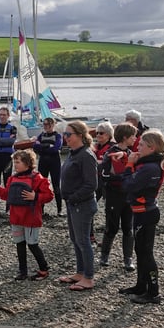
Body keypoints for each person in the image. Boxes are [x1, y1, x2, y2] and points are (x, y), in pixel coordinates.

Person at [118, 130, 164, 305]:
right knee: (139, 251)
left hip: (146, 214)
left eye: (141, 144)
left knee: (146, 254)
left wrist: (128, 165)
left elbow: (128, 185)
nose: (138, 146)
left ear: (152, 147)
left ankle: (153, 292)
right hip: (141, 212)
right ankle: (141, 286)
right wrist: (130, 163)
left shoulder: (150, 167)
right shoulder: (147, 164)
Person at [0, 149, 54, 281]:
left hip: (31, 218)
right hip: (16, 218)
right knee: (20, 244)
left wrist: (36, 196)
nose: (15, 165)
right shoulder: (12, 178)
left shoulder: (38, 178)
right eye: (14, 162)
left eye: (18, 162)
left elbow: (49, 195)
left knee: (32, 244)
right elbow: (6, 195)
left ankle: (44, 269)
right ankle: (23, 272)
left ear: (28, 163)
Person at [59, 121, 98, 291]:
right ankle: (80, 272)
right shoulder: (73, 153)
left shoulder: (86, 156)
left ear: (80, 136)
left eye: (68, 135)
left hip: (82, 204)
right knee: (75, 239)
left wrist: (73, 198)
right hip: (72, 203)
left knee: (83, 241)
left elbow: (92, 184)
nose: (65, 137)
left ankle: (88, 278)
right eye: (64, 134)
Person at [100, 123, 138, 271]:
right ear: (124, 137)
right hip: (113, 195)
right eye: (133, 136)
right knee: (112, 227)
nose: (135, 139)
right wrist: (123, 177)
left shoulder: (130, 154)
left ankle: (128, 259)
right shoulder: (110, 153)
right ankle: (104, 255)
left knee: (128, 228)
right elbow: (104, 175)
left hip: (128, 197)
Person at [33, 117, 63, 216]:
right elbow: (35, 147)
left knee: (56, 185)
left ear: (53, 125)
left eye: (48, 124)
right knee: (42, 185)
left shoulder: (57, 136)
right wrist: (47, 147)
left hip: (54, 162)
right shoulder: (41, 135)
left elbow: (56, 148)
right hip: (43, 162)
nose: (46, 126)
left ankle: (59, 210)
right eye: (44, 124)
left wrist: (42, 147)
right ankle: (41, 209)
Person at [91, 121, 115, 246]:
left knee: (109, 211)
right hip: (96, 181)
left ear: (109, 135)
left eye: (102, 133)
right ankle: (90, 236)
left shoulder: (113, 148)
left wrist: (98, 164)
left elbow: (107, 165)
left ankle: (107, 238)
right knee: (90, 208)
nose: (98, 135)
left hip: (108, 183)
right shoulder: (95, 147)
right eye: (97, 133)